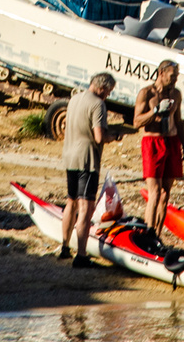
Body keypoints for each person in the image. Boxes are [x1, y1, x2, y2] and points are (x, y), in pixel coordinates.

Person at [58, 72, 116, 268]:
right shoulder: (98, 104)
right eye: (108, 91)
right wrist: (113, 137)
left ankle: (64, 247)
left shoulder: (74, 99)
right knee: (85, 208)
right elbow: (99, 136)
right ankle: (81, 256)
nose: (108, 95)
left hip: (70, 157)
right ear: (102, 88)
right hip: (87, 160)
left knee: (71, 202)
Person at [133, 59, 184, 239]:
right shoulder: (146, 93)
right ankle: (148, 231)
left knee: (166, 193)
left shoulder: (176, 94)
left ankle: (157, 235)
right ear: (161, 74)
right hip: (153, 143)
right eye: (172, 76)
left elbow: (179, 122)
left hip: (172, 142)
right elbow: (136, 122)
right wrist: (155, 111)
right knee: (155, 191)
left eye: (176, 77)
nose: (175, 80)